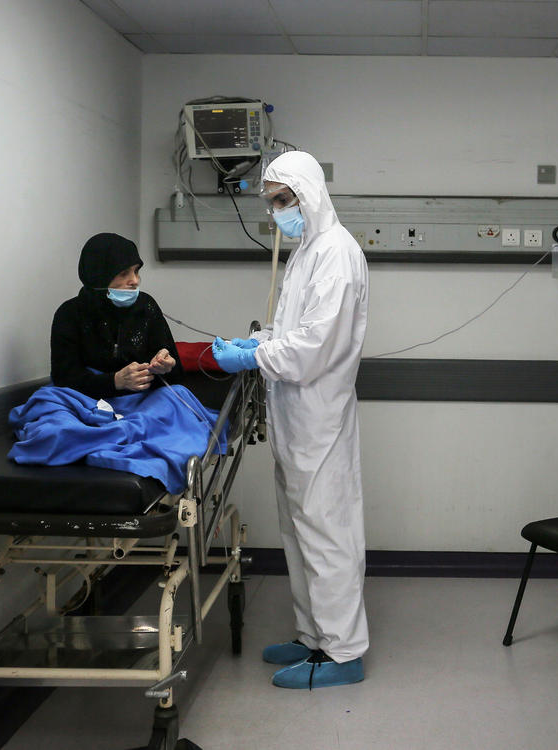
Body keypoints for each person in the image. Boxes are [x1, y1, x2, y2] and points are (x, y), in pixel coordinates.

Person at [211, 151, 370, 689]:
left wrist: (253, 358)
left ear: (310, 195)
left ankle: (344, 652)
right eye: (274, 203)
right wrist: (255, 343)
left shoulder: (337, 255)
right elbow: (289, 329)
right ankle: (312, 636)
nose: (278, 212)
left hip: (318, 416)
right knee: (299, 531)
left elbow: (313, 347)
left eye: (284, 200)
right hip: (295, 418)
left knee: (326, 535)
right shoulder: (307, 251)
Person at [51, 232, 182, 399]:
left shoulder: (147, 307)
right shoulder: (69, 314)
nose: (135, 281)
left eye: (136, 271)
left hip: (144, 401)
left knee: (176, 402)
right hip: (85, 400)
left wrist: (167, 367)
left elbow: (176, 377)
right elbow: (63, 378)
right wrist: (115, 381)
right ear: (98, 274)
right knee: (52, 413)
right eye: (123, 273)